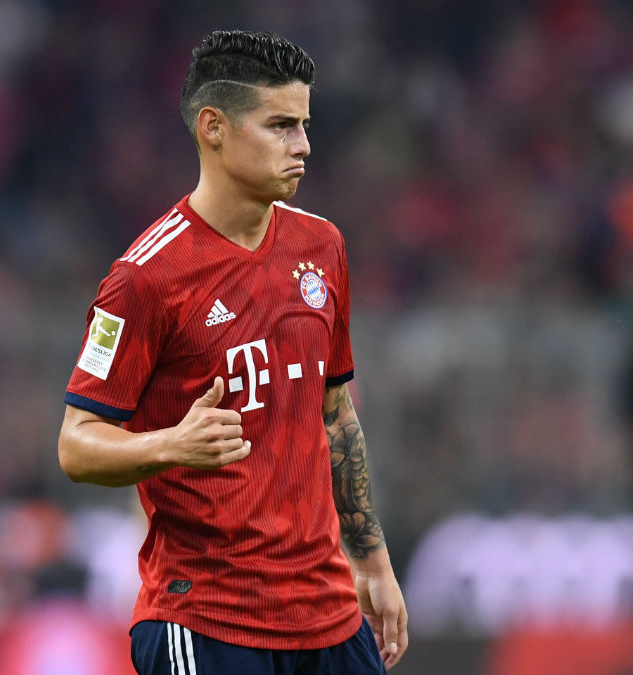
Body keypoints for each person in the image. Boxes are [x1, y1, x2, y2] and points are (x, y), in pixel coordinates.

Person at [58, 29, 408, 675]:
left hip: (327, 614)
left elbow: (336, 415)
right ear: (213, 127)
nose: (302, 145)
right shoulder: (145, 278)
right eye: (280, 125)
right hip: (209, 619)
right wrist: (168, 445)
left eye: (304, 125)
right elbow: (77, 445)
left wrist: (374, 562)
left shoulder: (322, 247)